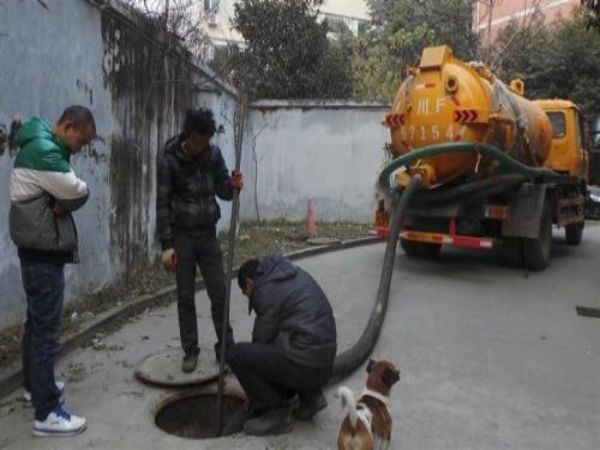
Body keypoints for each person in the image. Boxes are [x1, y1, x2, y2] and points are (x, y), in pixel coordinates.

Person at [9, 106, 95, 436]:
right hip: (43, 253)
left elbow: (65, 194)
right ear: (69, 126)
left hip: (35, 249)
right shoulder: (46, 152)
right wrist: (69, 196)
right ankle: (47, 413)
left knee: (36, 323)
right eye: (82, 141)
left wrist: (62, 197)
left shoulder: (40, 141)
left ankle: (35, 385)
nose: (81, 148)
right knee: (46, 331)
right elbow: (77, 190)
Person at [156, 108, 243, 373]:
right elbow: (162, 204)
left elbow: (223, 191)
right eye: (197, 142)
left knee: (220, 293)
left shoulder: (213, 155)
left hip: (208, 237)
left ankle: (226, 350)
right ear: (188, 135)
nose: (201, 147)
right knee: (185, 297)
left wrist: (232, 186)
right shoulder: (170, 159)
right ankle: (190, 351)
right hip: (182, 237)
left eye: (206, 142)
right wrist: (167, 245)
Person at [227, 254, 337, 436]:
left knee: (236, 355)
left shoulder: (264, 291)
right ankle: (311, 397)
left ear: (249, 283)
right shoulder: (289, 274)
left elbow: (261, 342)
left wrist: (257, 391)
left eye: (245, 293)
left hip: (307, 365)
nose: (248, 298)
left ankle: (275, 414)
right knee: (292, 341)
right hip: (324, 364)